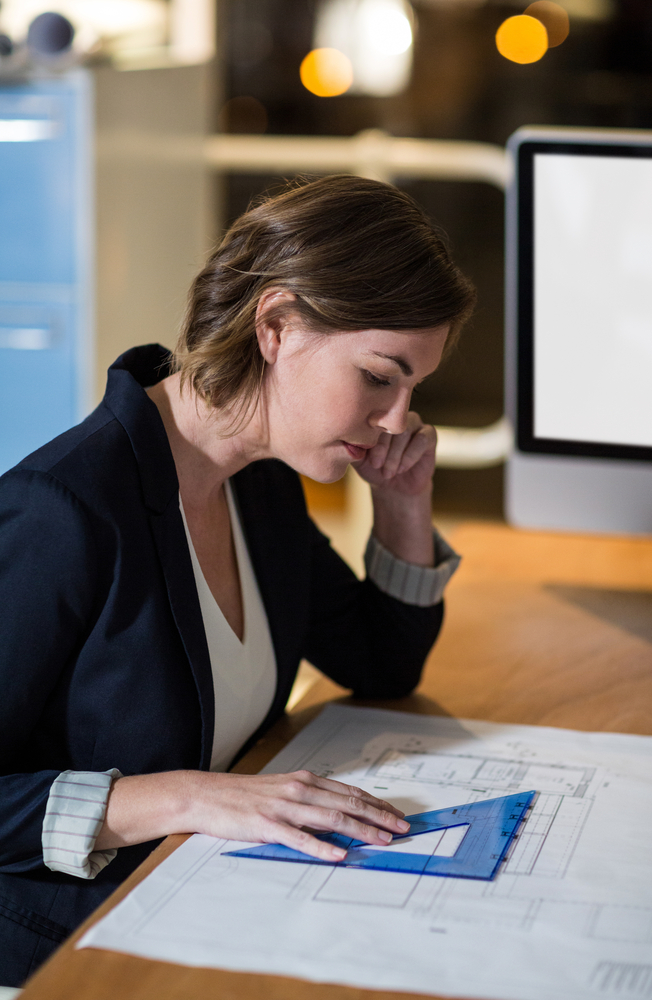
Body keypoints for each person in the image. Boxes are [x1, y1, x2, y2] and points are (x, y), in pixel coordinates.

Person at [0, 175, 475, 986]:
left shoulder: (257, 481)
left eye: (411, 390)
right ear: (277, 325)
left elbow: (380, 663)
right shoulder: (64, 510)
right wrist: (187, 796)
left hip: (202, 900)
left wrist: (403, 505)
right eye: (378, 376)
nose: (398, 419)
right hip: (71, 950)